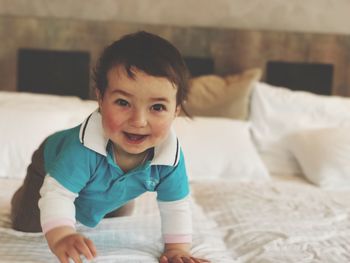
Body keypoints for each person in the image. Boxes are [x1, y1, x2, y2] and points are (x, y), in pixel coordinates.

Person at [10, 31, 210, 263]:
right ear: (101, 99)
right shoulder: (80, 148)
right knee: (29, 222)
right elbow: (58, 195)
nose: (138, 121)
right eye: (123, 102)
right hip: (49, 166)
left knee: (117, 211)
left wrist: (176, 249)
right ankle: (22, 197)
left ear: (175, 111)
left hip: (108, 186)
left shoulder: (170, 158)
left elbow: (176, 206)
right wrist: (63, 235)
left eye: (157, 107)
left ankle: (111, 194)